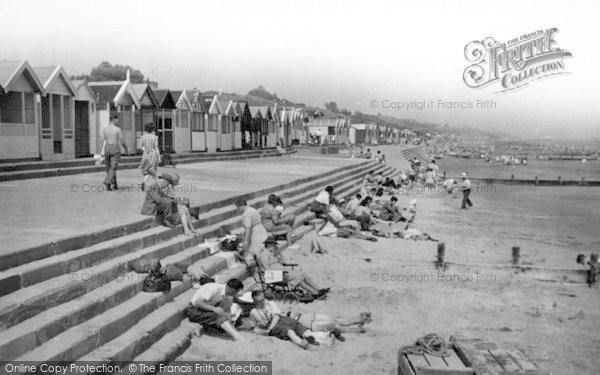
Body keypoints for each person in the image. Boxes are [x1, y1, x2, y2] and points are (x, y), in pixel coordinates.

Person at [257, 238, 329, 298]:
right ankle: (314, 293)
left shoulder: (273, 253)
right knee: (299, 276)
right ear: (269, 245)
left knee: (302, 274)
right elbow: (267, 269)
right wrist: (279, 271)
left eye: (275, 245)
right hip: (275, 275)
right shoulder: (264, 255)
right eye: (273, 245)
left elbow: (284, 262)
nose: (275, 246)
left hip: (283, 272)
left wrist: (280, 253)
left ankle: (318, 289)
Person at [250, 289, 318, 349]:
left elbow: (276, 316)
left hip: (278, 319)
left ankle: (309, 336)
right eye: (260, 301)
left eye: (263, 299)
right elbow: (254, 327)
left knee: (294, 324)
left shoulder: (270, 303)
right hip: (272, 326)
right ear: (255, 302)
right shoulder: (253, 312)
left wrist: (269, 329)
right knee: (287, 331)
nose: (263, 302)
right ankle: (301, 343)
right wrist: (263, 331)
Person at [236, 199, 269, 282]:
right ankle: (264, 273)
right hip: (261, 230)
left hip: (255, 234)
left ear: (240, 206)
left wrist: (246, 241)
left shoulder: (246, 214)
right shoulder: (253, 210)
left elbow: (248, 229)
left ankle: (258, 276)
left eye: (238, 208)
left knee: (251, 255)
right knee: (262, 253)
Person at [101, 115, 128, 191]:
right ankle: (108, 182)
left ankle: (114, 184)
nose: (118, 121)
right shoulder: (117, 129)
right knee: (113, 167)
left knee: (109, 167)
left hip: (107, 148)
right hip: (115, 148)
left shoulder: (105, 129)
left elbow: (101, 141)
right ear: (114, 120)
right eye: (117, 119)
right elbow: (122, 140)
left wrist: (99, 152)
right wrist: (125, 148)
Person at [138, 122, 161, 191]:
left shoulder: (143, 137)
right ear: (153, 129)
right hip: (153, 154)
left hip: (145, 155)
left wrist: (145, 150)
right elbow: (156, 147)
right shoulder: (154, 137)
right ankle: (156, 185)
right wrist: (159, 156)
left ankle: (144, 181)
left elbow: (140, 147)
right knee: (154, 170)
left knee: (147, 171)